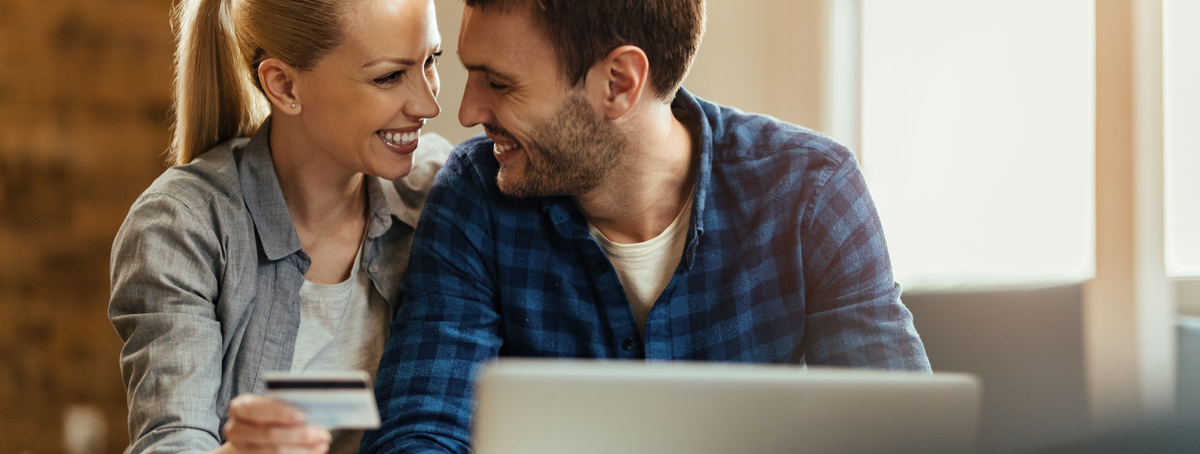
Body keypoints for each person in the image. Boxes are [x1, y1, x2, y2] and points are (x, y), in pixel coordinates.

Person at [362, 0, 931, 452]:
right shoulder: (475, 193)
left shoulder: (812, 191)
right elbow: (422, 428)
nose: (466, 112)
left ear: (619, 81)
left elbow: (903, 435)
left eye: (499, 82)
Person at [107, 0, 447, 451]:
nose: (429, 104)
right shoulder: (180, 227)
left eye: (431, 61)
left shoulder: (439, 193)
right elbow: (174, 439)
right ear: (284, 85)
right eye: (388, 76)